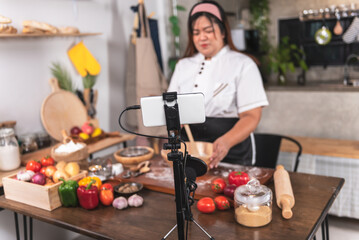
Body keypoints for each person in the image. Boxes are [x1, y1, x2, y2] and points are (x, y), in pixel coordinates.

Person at [167, 1, 268, 168]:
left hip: (232, 151)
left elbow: (252, 116)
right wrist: (175, 119)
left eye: (208, 30)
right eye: (196, 32)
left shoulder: (243, 64)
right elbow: (172, 108)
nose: (202, 37)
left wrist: (226, 142)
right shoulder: (183, 66)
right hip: (190, 149)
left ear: (223, 31)